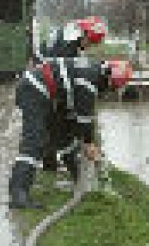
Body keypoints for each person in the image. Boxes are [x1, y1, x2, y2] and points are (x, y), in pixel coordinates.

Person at [8, 57, 132, 210]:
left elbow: (77, 118)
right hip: (34, 90)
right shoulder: (88, 84)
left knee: (64, 137)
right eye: (112, 88)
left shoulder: (95, 71)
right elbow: (85, 121)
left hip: (49, 93)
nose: (109, 91)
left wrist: (84, 139)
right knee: (34, 142)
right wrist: (89, 144)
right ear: (109, 79)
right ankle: (18, 194)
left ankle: (78, 178)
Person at [38, 17, 107, 172]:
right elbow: (64, 77)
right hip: (42, 79)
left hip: (43, 72)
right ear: (85, 36)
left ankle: (52, 161)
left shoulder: (69, 31)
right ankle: (50, 163)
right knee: (53, 120)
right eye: (90, 43)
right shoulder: (67, 47)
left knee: (53, 120)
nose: (88, 47)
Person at [38, 16, 107, 60]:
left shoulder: (74, 32)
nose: (89, 47)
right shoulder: (69, 45)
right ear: (86, 37)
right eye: (91, 43)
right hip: (43, 60)